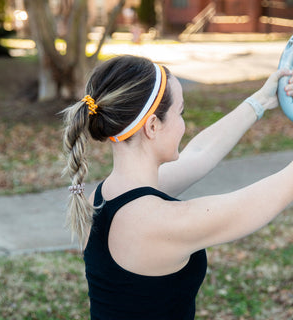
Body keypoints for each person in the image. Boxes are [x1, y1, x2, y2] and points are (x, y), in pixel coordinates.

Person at [62, 55, 293, 320]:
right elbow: (263, 199)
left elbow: (200, 153)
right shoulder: (158, 223)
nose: (184, 124)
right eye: (180, 113)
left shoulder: (105, 195)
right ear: (152, 126)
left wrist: (261, 100)